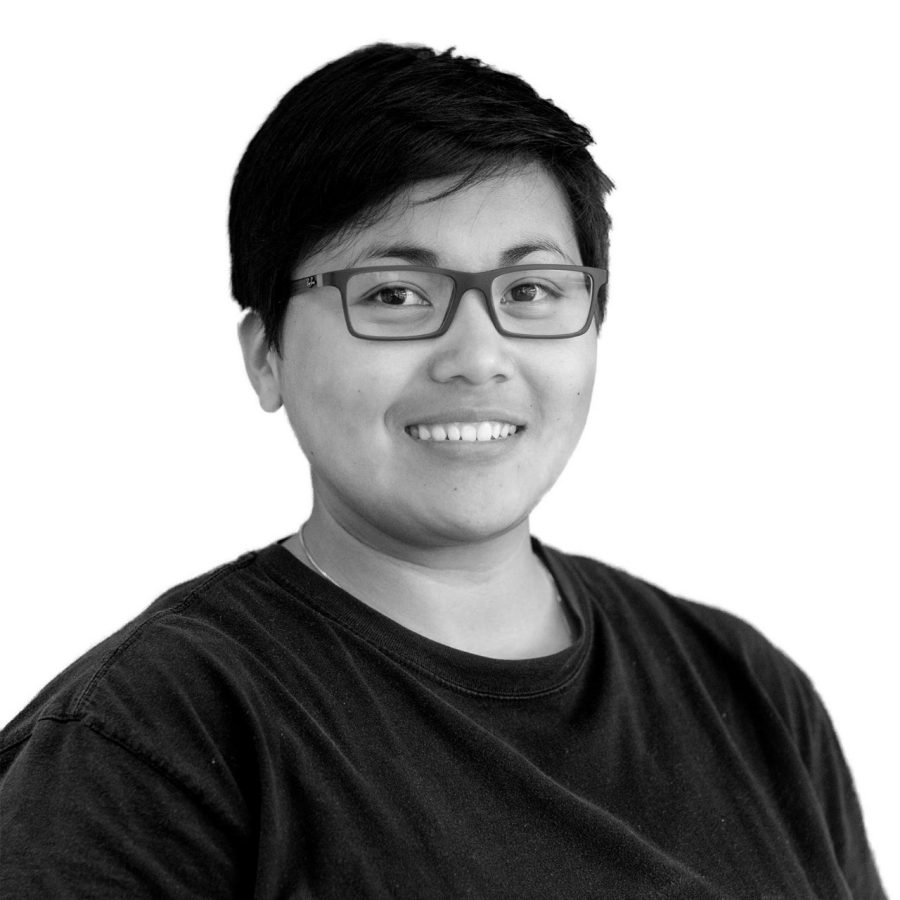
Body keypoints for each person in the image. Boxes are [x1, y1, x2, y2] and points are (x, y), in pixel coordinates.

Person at [0, 42, 886, 899]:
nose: (477, 357)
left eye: (529, 291)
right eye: (394, 295)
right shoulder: (150, 739)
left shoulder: (746, 689)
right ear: (267, 354)